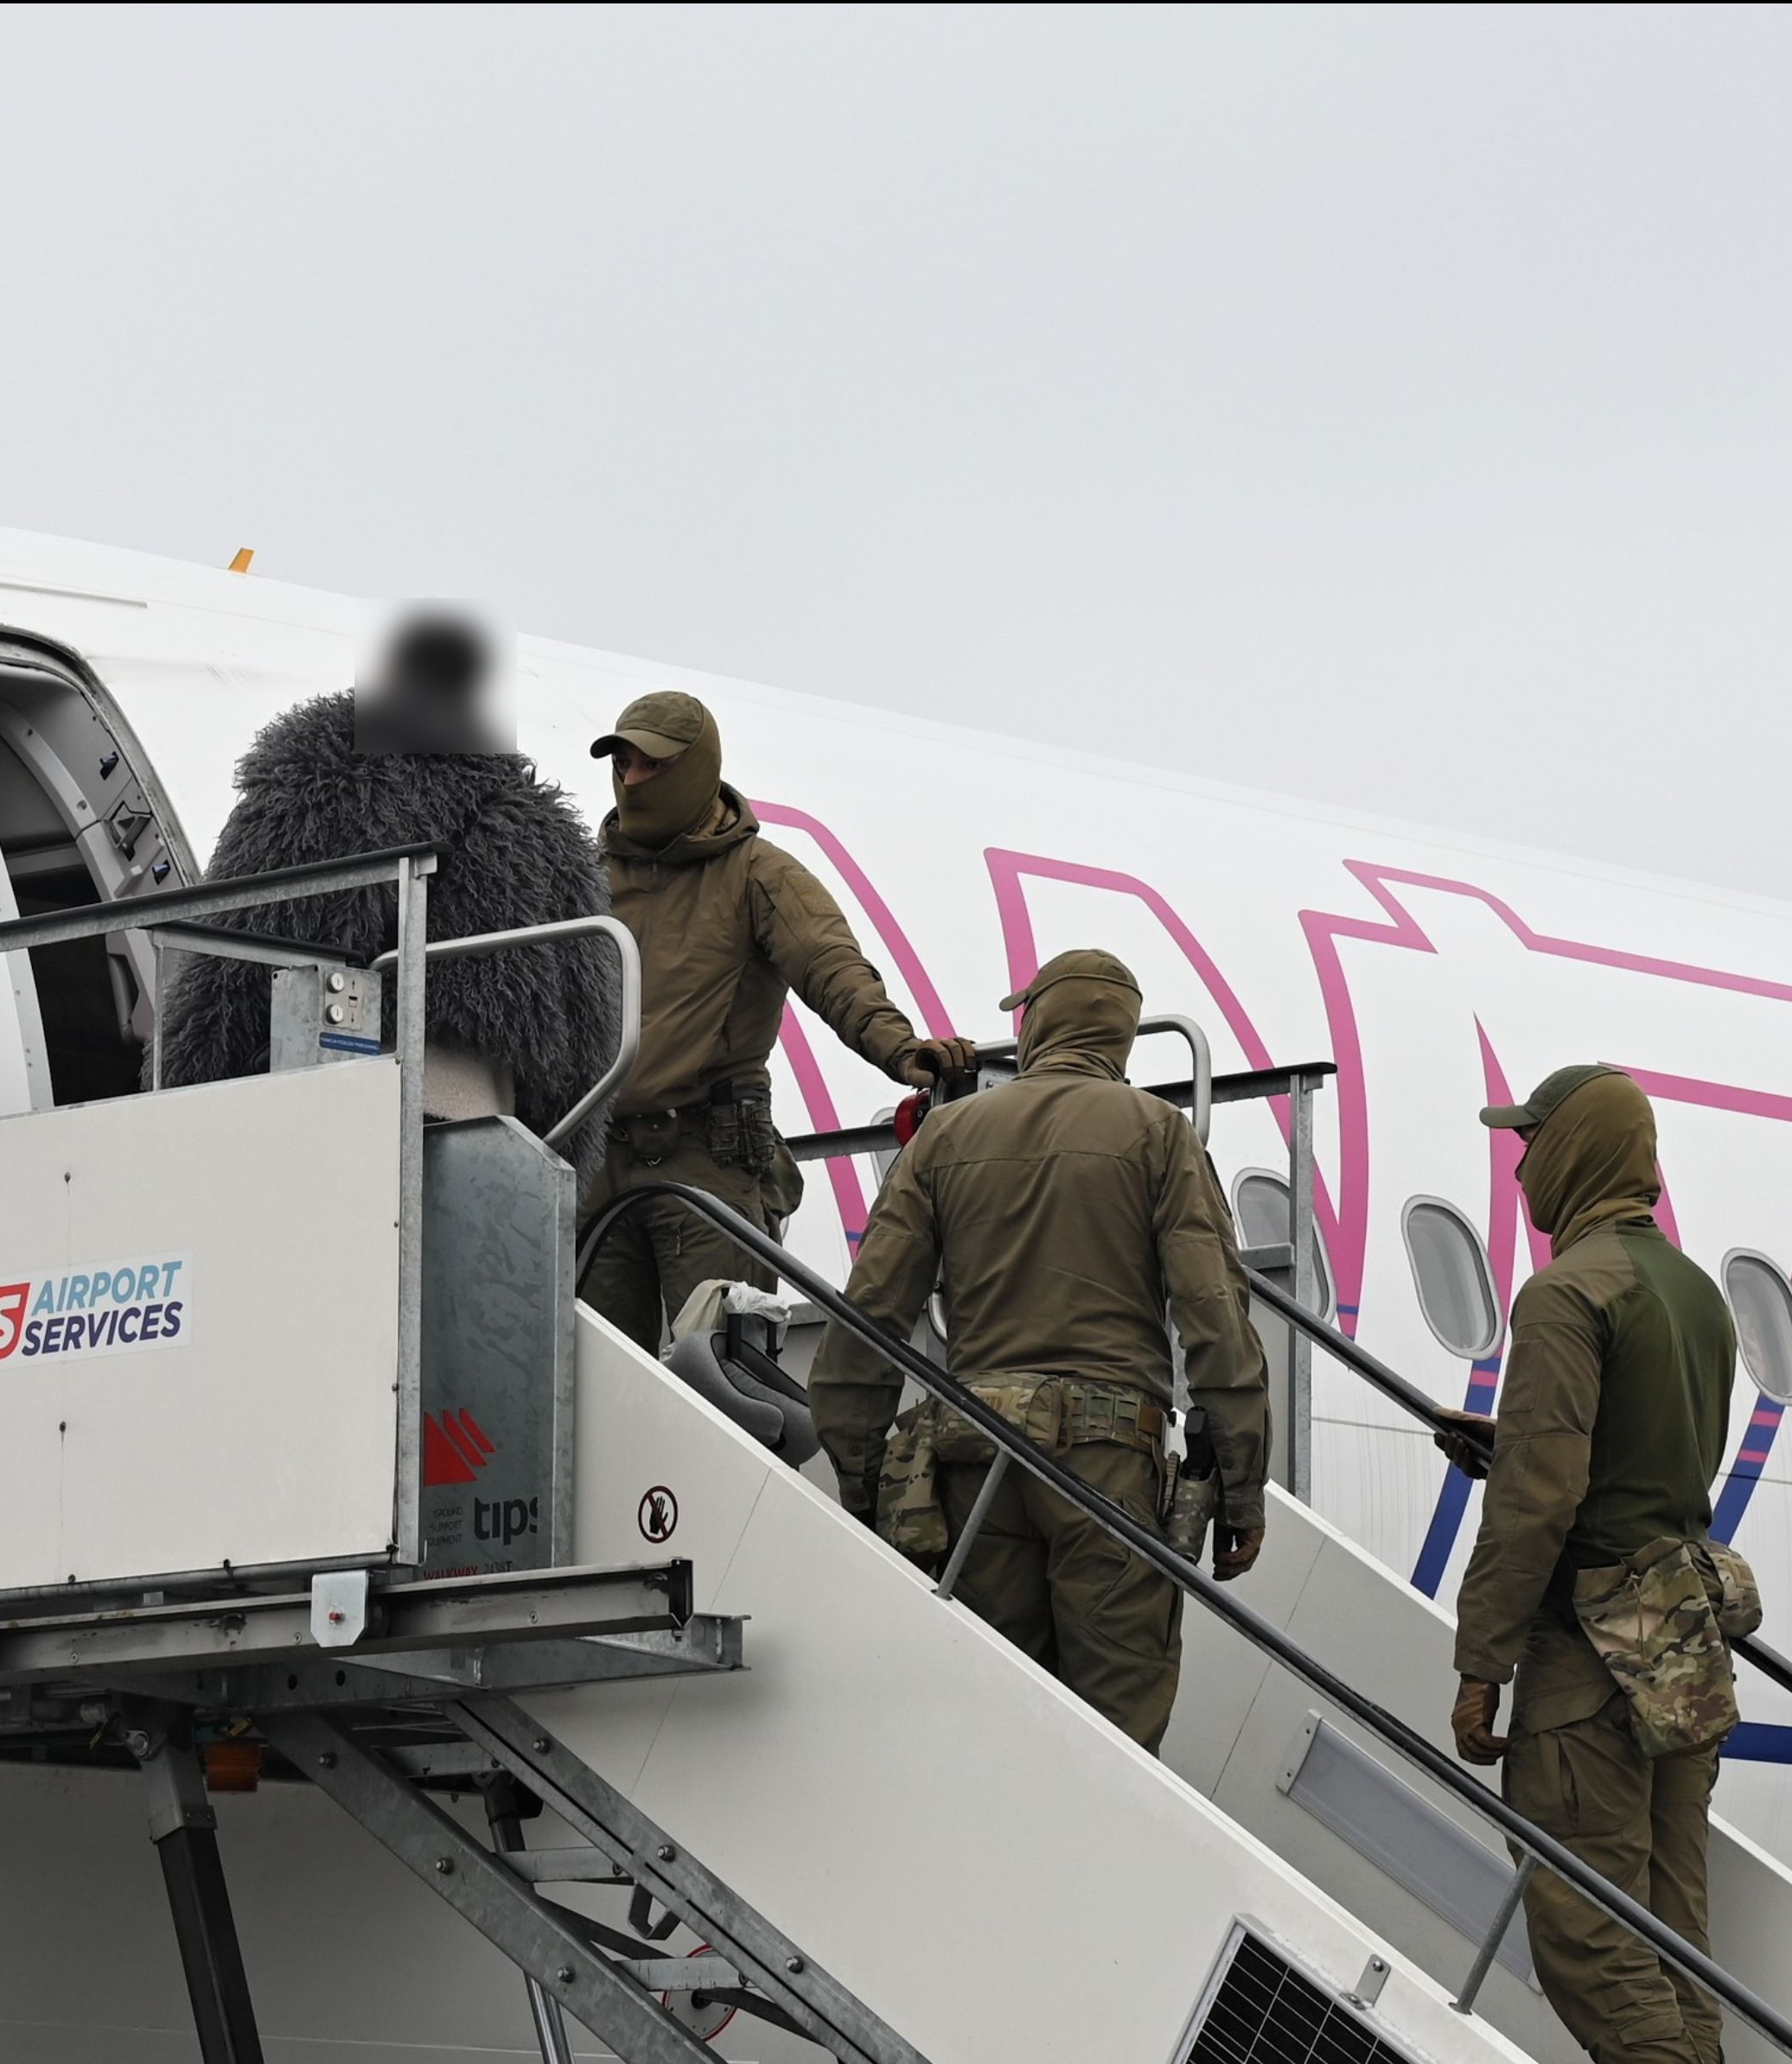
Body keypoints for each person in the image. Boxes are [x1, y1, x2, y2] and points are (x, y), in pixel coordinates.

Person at [1444, 1061, 1792, 2064]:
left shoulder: (1565, 1294)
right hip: (1680, 1654)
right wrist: (1515, 1441)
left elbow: (1542, 1500)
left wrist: (1482, 1660)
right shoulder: (1694, 1295)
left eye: (1530, 1143)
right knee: (1671, 1940)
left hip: (1587, 1663)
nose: (1518, 1166)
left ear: (1576, 1150)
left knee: (1592, 1944)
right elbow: (1638, 1463)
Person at [807, 948, 1267, 1749]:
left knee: (994, 1728)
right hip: (1106, 1470)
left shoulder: (944, 1134)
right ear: (1121, 1036)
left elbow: (871, 1313)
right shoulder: (1160, 1134)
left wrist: (861, 1473)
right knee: (1117, 1736)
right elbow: (1215, 1318)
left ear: (1038, 1025)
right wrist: (1241, 1490)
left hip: (973, 1460)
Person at [576, 691, 973, 1347]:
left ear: (697, 767)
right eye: (623, 763)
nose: (633, 779)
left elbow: (832, 968)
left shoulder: (759, 874)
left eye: (653, 764)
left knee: (721, 1377)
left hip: (708, 1161)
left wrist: (902, 1049)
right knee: (593, 1379)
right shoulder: (581, 878)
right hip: (597, 1163)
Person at [154, 615, 620, 1163]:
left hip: (344, 1112)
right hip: (494, 1131)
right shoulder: (545, 826)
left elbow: (236, 957)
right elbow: (588, 1020)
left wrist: (178, 1097)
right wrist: (561, 1156)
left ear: (389, 675)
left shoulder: (328, 769)